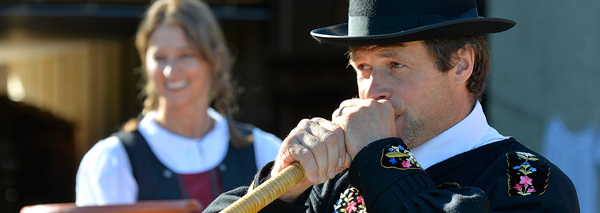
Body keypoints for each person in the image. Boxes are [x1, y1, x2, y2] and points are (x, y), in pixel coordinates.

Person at [203, 0, 580, 212]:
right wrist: (280, 188)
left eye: (395, 65)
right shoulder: (337, 174)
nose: (371, 91)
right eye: (363, 67)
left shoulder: (529, 183)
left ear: (461, 64)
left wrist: (380, 155)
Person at [75, 0, 281, 208]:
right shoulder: (114, 160)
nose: (170, 71)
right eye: (159, 57)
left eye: (185, 55)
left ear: (216, 59)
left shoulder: (264, 151)